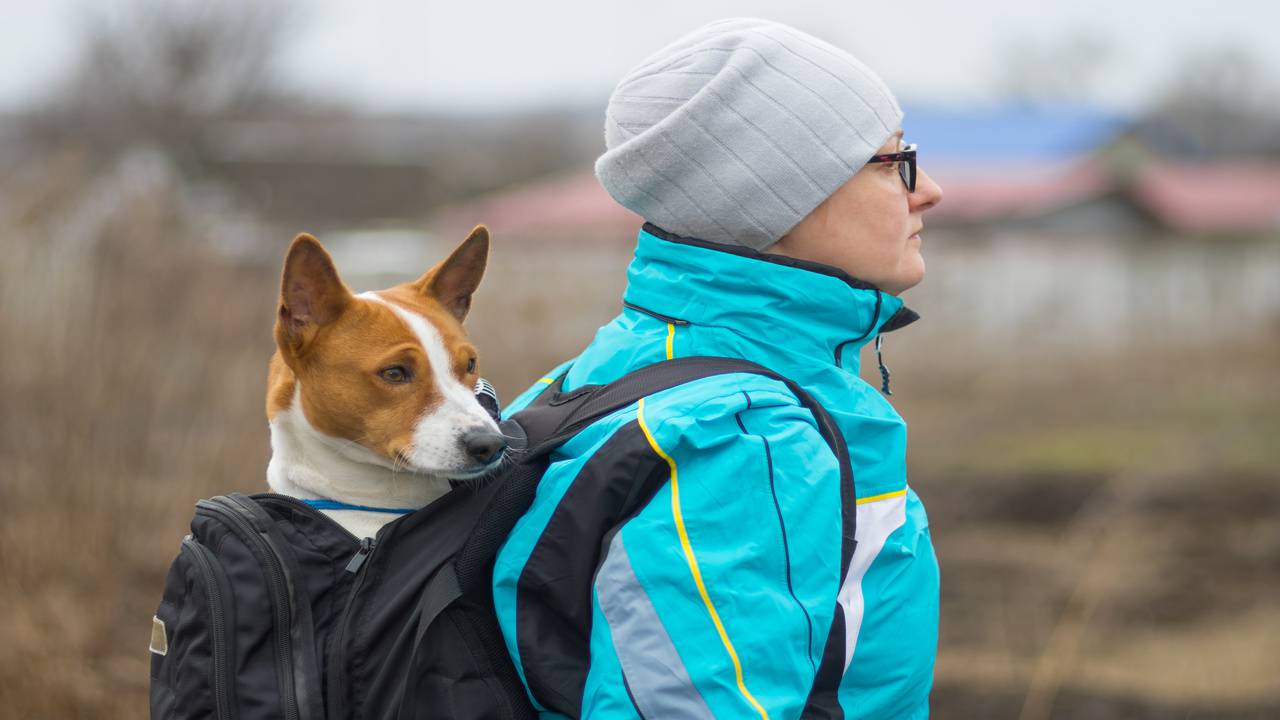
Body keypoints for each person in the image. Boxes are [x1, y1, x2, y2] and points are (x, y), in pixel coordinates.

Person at [493, 17, 943, 719]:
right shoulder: (739, 437)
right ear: (783, 197)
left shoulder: (604, 369)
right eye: (893, 163)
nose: (930, 190)